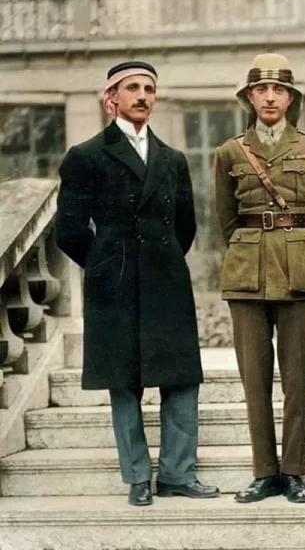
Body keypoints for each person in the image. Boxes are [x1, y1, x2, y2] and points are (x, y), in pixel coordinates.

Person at [55, 61, 219, 506]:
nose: (143, 95)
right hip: (115, 284)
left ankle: (178, 474)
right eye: (132, 87)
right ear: (112, 98)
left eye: (149, 88)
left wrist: (159, 259)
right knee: (124, 381)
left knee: (181, 378)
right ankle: (137, 478)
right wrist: (107, 265)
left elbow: (185, 226)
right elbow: (67, 229)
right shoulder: (85, 156)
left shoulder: (172, 159)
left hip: (167, 280)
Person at [214, 53, 305, 504]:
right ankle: (264, 471)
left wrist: (299, 250)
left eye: (278, 90)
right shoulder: (230, 151)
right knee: (254, 379)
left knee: (297, 378)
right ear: (249, 97)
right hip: (246, 275)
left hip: (300, 274)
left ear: (290, 98)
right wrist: (255, 248)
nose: (269, 97)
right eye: (260, 90)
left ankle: (293, 470)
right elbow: (226, 219)